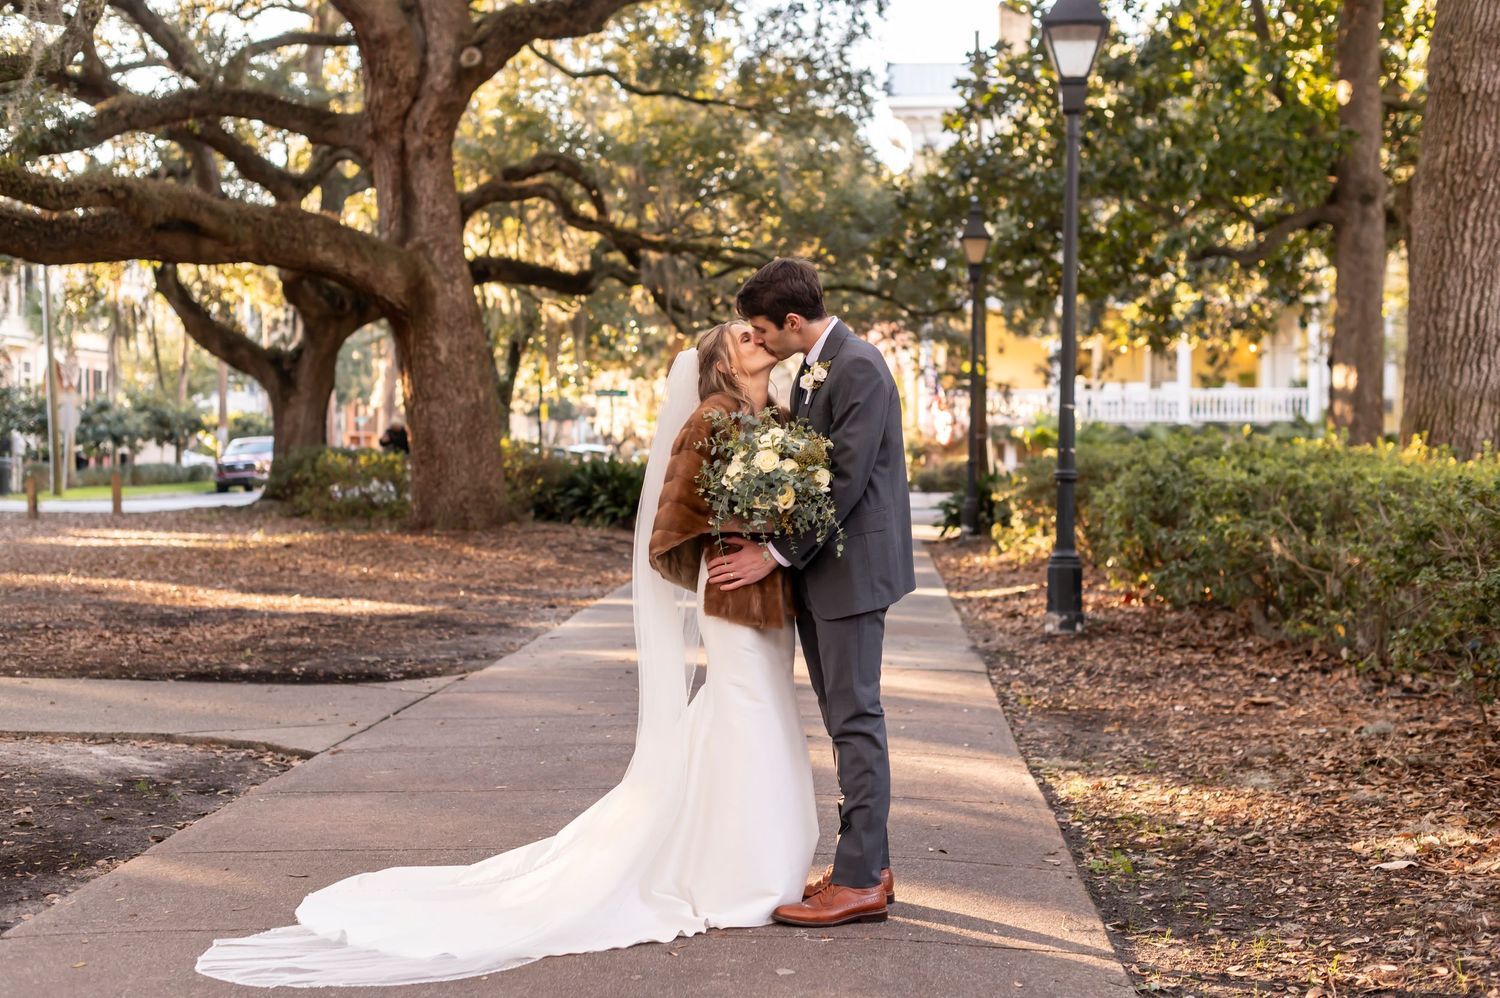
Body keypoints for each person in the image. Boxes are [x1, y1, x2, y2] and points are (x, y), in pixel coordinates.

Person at [193, 320, 820, 988]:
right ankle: (742, 879)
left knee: (755, 721)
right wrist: (733, 547)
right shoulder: (713, 417)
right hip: (733, 599)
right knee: (747, 719)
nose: (759, 341)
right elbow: (678, 521)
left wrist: (778, 531)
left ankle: (747, 861)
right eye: (743, 340)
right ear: (722, 366)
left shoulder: (774, 414)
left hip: (769, 601)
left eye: (758, 336)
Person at [706, 257, 915, 928]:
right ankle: (867, 862)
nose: (758, 341)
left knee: (855, 720)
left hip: (851, 572)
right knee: (842, 720)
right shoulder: (816, 367)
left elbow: (843, 480)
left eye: (762, 330)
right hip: (826, 572)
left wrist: (773, 555)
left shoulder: (857, 366)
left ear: (793, 322)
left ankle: (859, 879)